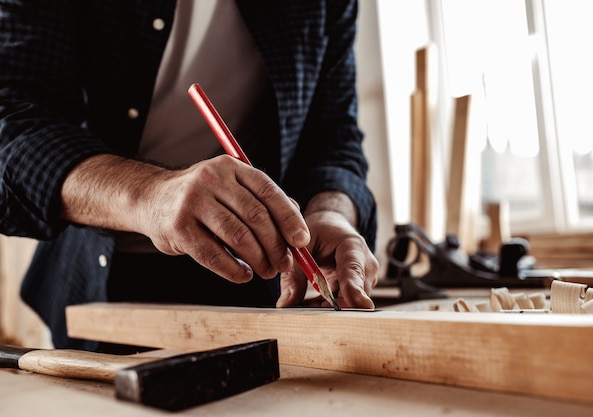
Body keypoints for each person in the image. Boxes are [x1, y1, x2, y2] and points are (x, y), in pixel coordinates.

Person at [0, 0, 378, 351]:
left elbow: (334, 137)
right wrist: (150, 194)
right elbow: (10, 124)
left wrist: (332, 212)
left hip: (257, 279)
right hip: (101, 279)